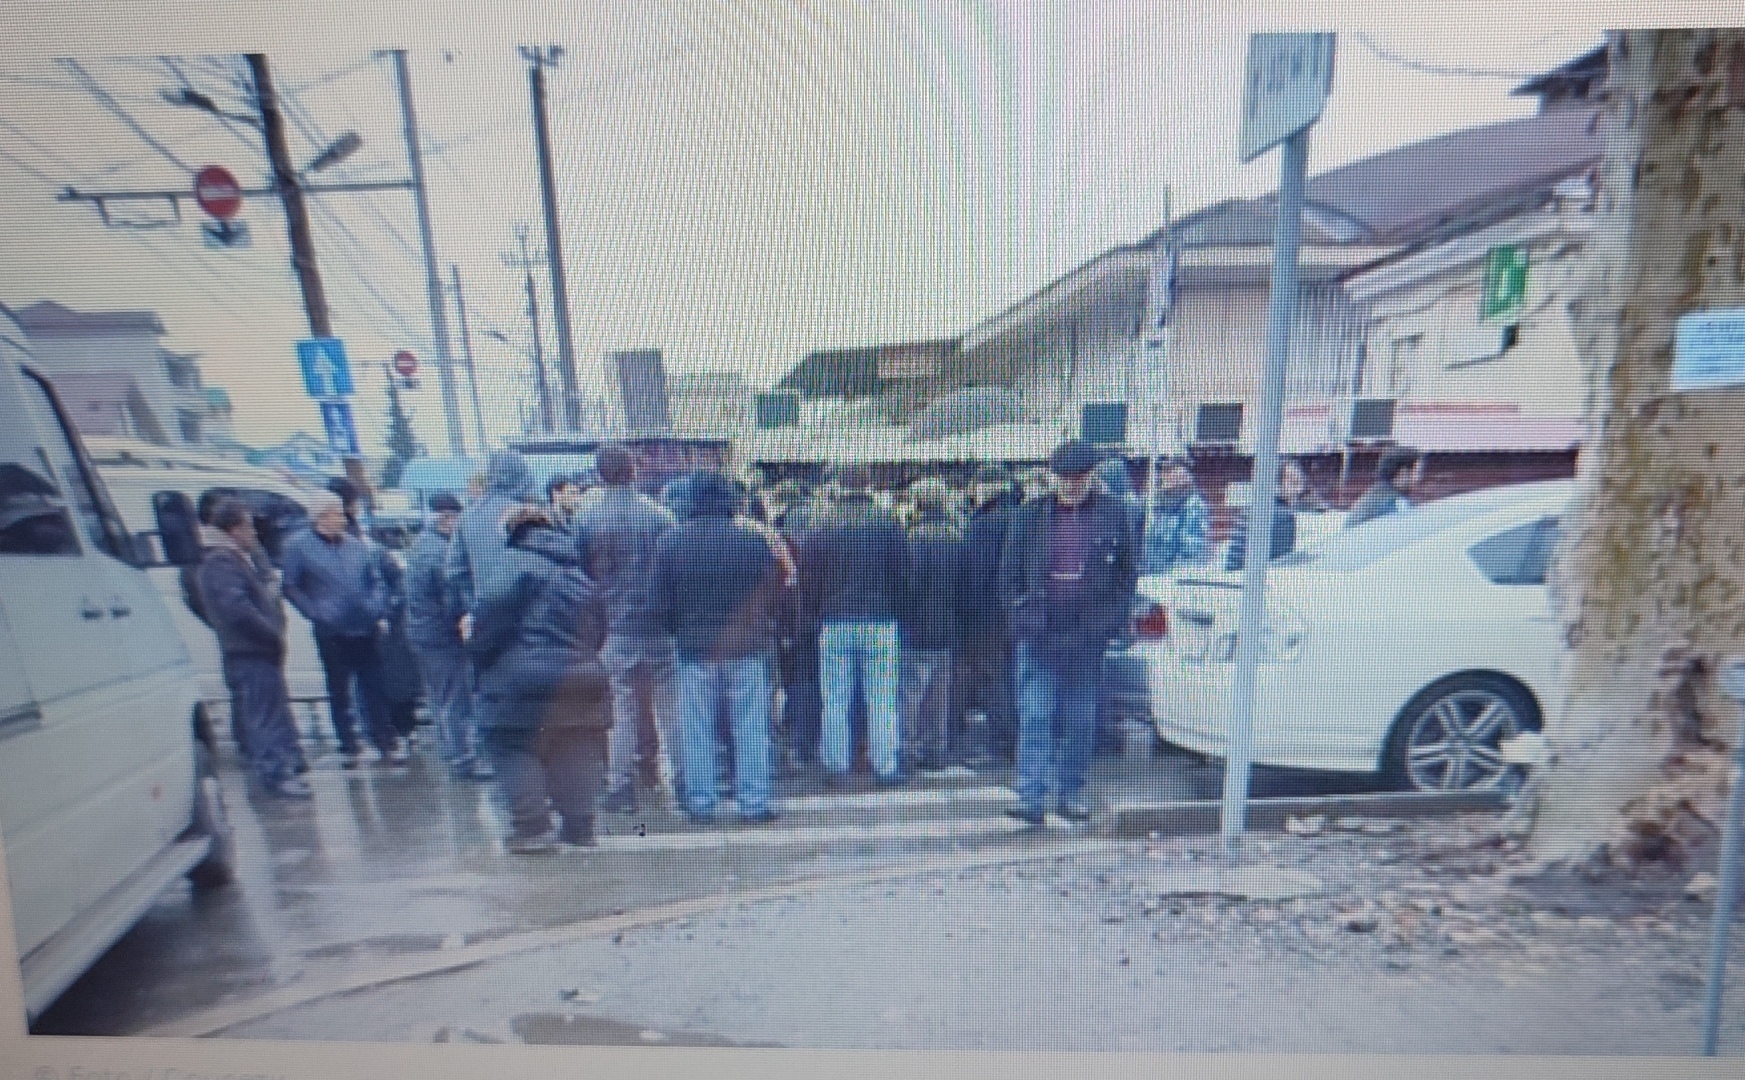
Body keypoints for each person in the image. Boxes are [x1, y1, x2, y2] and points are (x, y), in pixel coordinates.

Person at [998, 440, 1139, 824]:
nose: (1072, 486)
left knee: (1080, 718)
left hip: (1087, 637)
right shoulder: (1029, 516)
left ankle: (1071, 793)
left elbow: (1127, 576)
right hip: (1040, 632)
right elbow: (1009, 574)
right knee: (1036, 714)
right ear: (1051, 478)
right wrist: (1021, 616)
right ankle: (1031, 795)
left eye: (1079, 479)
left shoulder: (1115, 514)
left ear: (1093, 476)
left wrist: (1108, 623)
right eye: (1065, 479)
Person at [468, 505, 613, 853]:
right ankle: (580, 828)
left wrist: (477, 653)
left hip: (519, 680)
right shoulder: (579, 575)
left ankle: (532, 830)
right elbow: (599, 631)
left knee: (515, 748)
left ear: (512, 533)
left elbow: (486, 629)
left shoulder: (510, 566)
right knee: (575, 746)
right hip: (582, 677)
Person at [653, 471, 785, 824]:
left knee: (697, 725)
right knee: (750, 724)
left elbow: (659, 603)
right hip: (746, 644)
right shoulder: (753, 541)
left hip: (694, 646)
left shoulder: (671, 542)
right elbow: (772, 591)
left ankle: (701, 802)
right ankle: (754, 801)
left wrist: (678, 631)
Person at [571, 444, 681, 814]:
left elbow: (582, 577)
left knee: (621, 708)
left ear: (600, 474)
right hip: (658, 625)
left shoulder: (587, 519)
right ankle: (684, 780)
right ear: (633, 470)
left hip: (613, 625)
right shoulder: (661, 517)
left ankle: (620, 788)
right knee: (670, 707)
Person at [801, 464, 911, 787]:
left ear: (838, 487)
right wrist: (897, 612)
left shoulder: (822, 525)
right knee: (881, 698)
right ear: (870, 486)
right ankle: (885, 765)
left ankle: (836, 765)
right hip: (880, 620)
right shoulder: (888, 523)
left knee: (835, 699)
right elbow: (904, 577)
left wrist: (815, 613)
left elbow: (808, 580)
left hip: (834, 620)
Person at [196, 497, 311, 799]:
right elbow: (237, 609)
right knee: (263, 716)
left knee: (270, 712)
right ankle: (274, 774)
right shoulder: (220, 562)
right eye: (248, 527)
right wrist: (270, 632)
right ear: (234, 529)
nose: (254, 533)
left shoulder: (233, 558)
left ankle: (282, 767)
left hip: (257, 650)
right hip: (250, 651)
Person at [281, 493, 406, 767]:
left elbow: (376, 580)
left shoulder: (355, 545)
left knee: (375, 685)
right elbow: (290, 586)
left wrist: (377, 606)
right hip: (332, 631)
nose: (342, 517)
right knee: (339, 689)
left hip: (365, 626)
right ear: (321, 517)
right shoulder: (298, 547)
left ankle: (385, 739)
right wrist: (315, 612)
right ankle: (348, 744)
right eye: (336, 513)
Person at [407, 493, 488, 781]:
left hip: (424, 634)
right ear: (448, 518)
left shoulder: (421, 544)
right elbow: (452, 600)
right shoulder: (441, 553)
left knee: (440, 697)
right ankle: (464, 759)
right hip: (443, 637)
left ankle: (451, 753)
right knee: (456, 699)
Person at [897, 478, 964, 772]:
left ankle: (908, 749)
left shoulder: (913, 538)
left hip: (917, 626)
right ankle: (936, 748)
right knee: (940, 692)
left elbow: (907, 586)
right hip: (947, 625)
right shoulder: (957, 536)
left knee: (910, 692)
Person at [956, 465, 1020, 765]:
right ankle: (1017, 740)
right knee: (1015, 676)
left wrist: (966, 617)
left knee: (995, 680)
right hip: (1017, 613)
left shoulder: (984, 525)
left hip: (988, 615)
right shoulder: (1022, 517)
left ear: (988, 489)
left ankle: (1001, 744)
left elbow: (974, 577)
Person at [1224, 461, 1301, 572]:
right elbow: (1281, 562)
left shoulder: (1253, 508)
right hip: (1256, 580)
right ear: (1278, 484)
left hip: (1234, 577)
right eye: (1293, 482)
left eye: (1299, 482)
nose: (1298, 489)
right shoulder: (1284, 515)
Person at [1141, 463, 1211, 575]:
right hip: (1150, 574)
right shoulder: (1154, 503)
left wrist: (1173, 578)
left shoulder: (1192, 505)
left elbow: (1191, 548)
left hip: (1172, 578)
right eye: (1163, 471)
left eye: (1169, 471)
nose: (1163, 475)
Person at [1347, 447, 1422, 528]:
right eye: (1416, 472)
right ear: (1402, 472)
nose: (1418, 477)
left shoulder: (1375, 491)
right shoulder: (1398, 502)